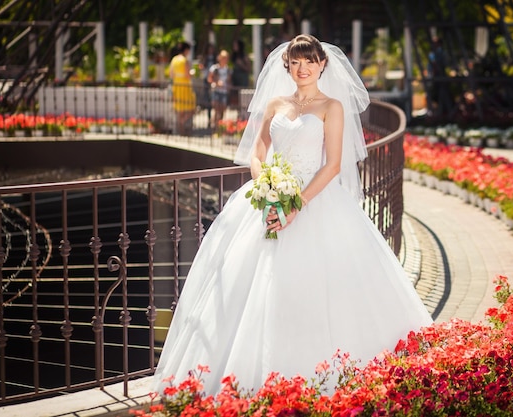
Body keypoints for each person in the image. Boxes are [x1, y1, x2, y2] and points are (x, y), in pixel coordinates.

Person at [152, 34, 433, 395]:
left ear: (322, 65)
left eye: (310, 62)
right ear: (287, 66)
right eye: (296, 62)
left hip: (315, 199)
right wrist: (267, 185)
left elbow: (332, 166)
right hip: (269, 195)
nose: (303, 69)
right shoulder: (275, 104)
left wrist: (295, 204)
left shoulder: (332, 107)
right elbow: (257, 152)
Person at [169, 42, 196, 135]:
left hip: (177, 86)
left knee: (180, 111)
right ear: (186, 50)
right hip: (185, 86)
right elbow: (188, 75)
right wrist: (193, 72)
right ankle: (182, 126)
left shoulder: (174, 59)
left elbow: (171, 75)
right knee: (192, 109)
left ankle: (181, 131)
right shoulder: (185, 60)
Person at [207, 49, 231, 130]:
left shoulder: (228, 69)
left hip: (224, 91)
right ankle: (214, 127)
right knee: (216, 109)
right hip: (216, 91)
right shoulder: (214, 68)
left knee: (222, 109)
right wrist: (217, 83)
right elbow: (209, 79)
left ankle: (219, 127)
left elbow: (229, 81)